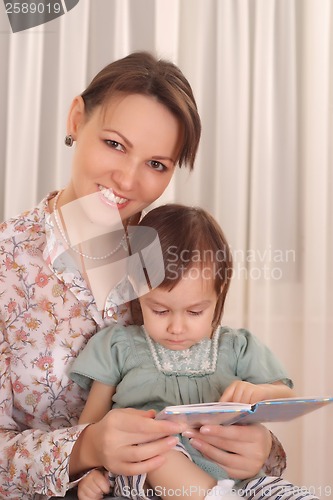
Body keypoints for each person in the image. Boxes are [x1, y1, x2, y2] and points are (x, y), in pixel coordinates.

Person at [0, 51, 286, 499]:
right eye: (115, 144)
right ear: (77, 119)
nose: (127, 179)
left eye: (157, 164)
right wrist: (84, 447)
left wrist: (260, 448)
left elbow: (222, 401)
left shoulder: (178, 259)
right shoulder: (7, 265)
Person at [70, 204, 318, 500]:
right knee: (160, 447)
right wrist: (88, 474)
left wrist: (260, 393)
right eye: (160, 310)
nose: (177, 327)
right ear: (136, 289)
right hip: (149, 471)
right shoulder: (118, 345)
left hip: (236, 479)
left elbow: (288, 398)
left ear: (219, 292)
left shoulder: (236, 346)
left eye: (195, 311)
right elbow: (88, 429)